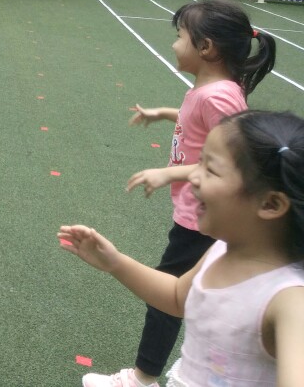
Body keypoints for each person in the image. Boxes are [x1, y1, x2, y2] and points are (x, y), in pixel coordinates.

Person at [85, 0, 277, 387]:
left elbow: (233, 159)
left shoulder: (217, 96)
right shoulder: (211, 90)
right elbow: (200, 122)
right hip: (197, 211)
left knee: (167, 296)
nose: (174, 44)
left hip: (204, 217)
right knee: (186, 290)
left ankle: (142, 378)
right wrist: (164, 113)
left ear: (206, 48)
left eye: (180, 36)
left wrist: (168, 172)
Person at [60, 110, 304, 387]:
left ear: (270, 204)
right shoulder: (222, 250)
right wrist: (114, 262)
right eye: (199, 163)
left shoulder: (289, 300)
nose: (193, 177)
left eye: (210, 170)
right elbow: (178, 298)